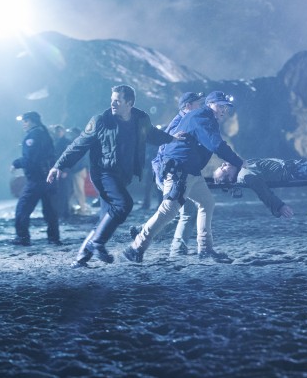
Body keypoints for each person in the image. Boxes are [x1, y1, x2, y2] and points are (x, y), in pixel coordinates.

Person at [47, 84, 181, 268]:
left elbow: (152, 135)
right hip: (103, 173)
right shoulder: (101, 121)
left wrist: (172, 138)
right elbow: (79, 145)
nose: (113, 104)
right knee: (124, 204)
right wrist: (59, 165)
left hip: (122, 176)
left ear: (129, 103)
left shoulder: (141, 119)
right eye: (112, 100)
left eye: (117, 101)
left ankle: (81, 259)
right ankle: (97, 243)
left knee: (106, 217)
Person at [123, 91, 243, 263]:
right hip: (180, 170)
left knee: (207, 202)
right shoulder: (202, 117)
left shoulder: (205, 118)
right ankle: (136, 247)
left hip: (190, 170)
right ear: (210, 104)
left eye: (226, 107)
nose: (224, 110)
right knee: (168, 210)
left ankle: (205, 249)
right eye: (220, 105)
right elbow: (216, 145)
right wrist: (238, 162)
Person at [153, 91, 204, 256]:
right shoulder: (180, 123)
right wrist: (162, 177)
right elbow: (166, 150)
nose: (201, 107)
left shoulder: (183, 120)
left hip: (173, 174)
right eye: (198, 104)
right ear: (188, 106)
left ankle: (147, 234)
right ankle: (174, 247)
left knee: (178, 212)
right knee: (185, 211)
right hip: (174, 175)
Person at [11, 111, 60, 246]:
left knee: (22, 209)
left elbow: (30, 159)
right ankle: (54, 238)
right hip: (49, 178)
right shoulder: (46, 134)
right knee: (50, 210)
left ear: (32, 121)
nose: (24, 124)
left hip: (36, 179)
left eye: (25, 121)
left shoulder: (32, 136)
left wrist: (16, 163)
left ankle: (22, 237)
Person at [66, 127, 91, 216]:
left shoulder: (79, 143)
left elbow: (80, 159)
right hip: (79, 170)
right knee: (74, 190)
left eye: (71, 133)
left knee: (79, 190)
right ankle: (70, 206)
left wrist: (73, 169)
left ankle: (82, 209)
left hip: (78, 170)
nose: (69, 135)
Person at [51, 125, 72, 219]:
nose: (58, 133)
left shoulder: (67, 142)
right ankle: (60, 212)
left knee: (65, 192)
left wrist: (66, 170)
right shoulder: (55, 142)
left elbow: (69, 157)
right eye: (56, 131)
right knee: (58, 193)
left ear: (63, 132)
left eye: (59, 131)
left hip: (64, 171)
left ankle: (65, 213)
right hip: (56, 170)